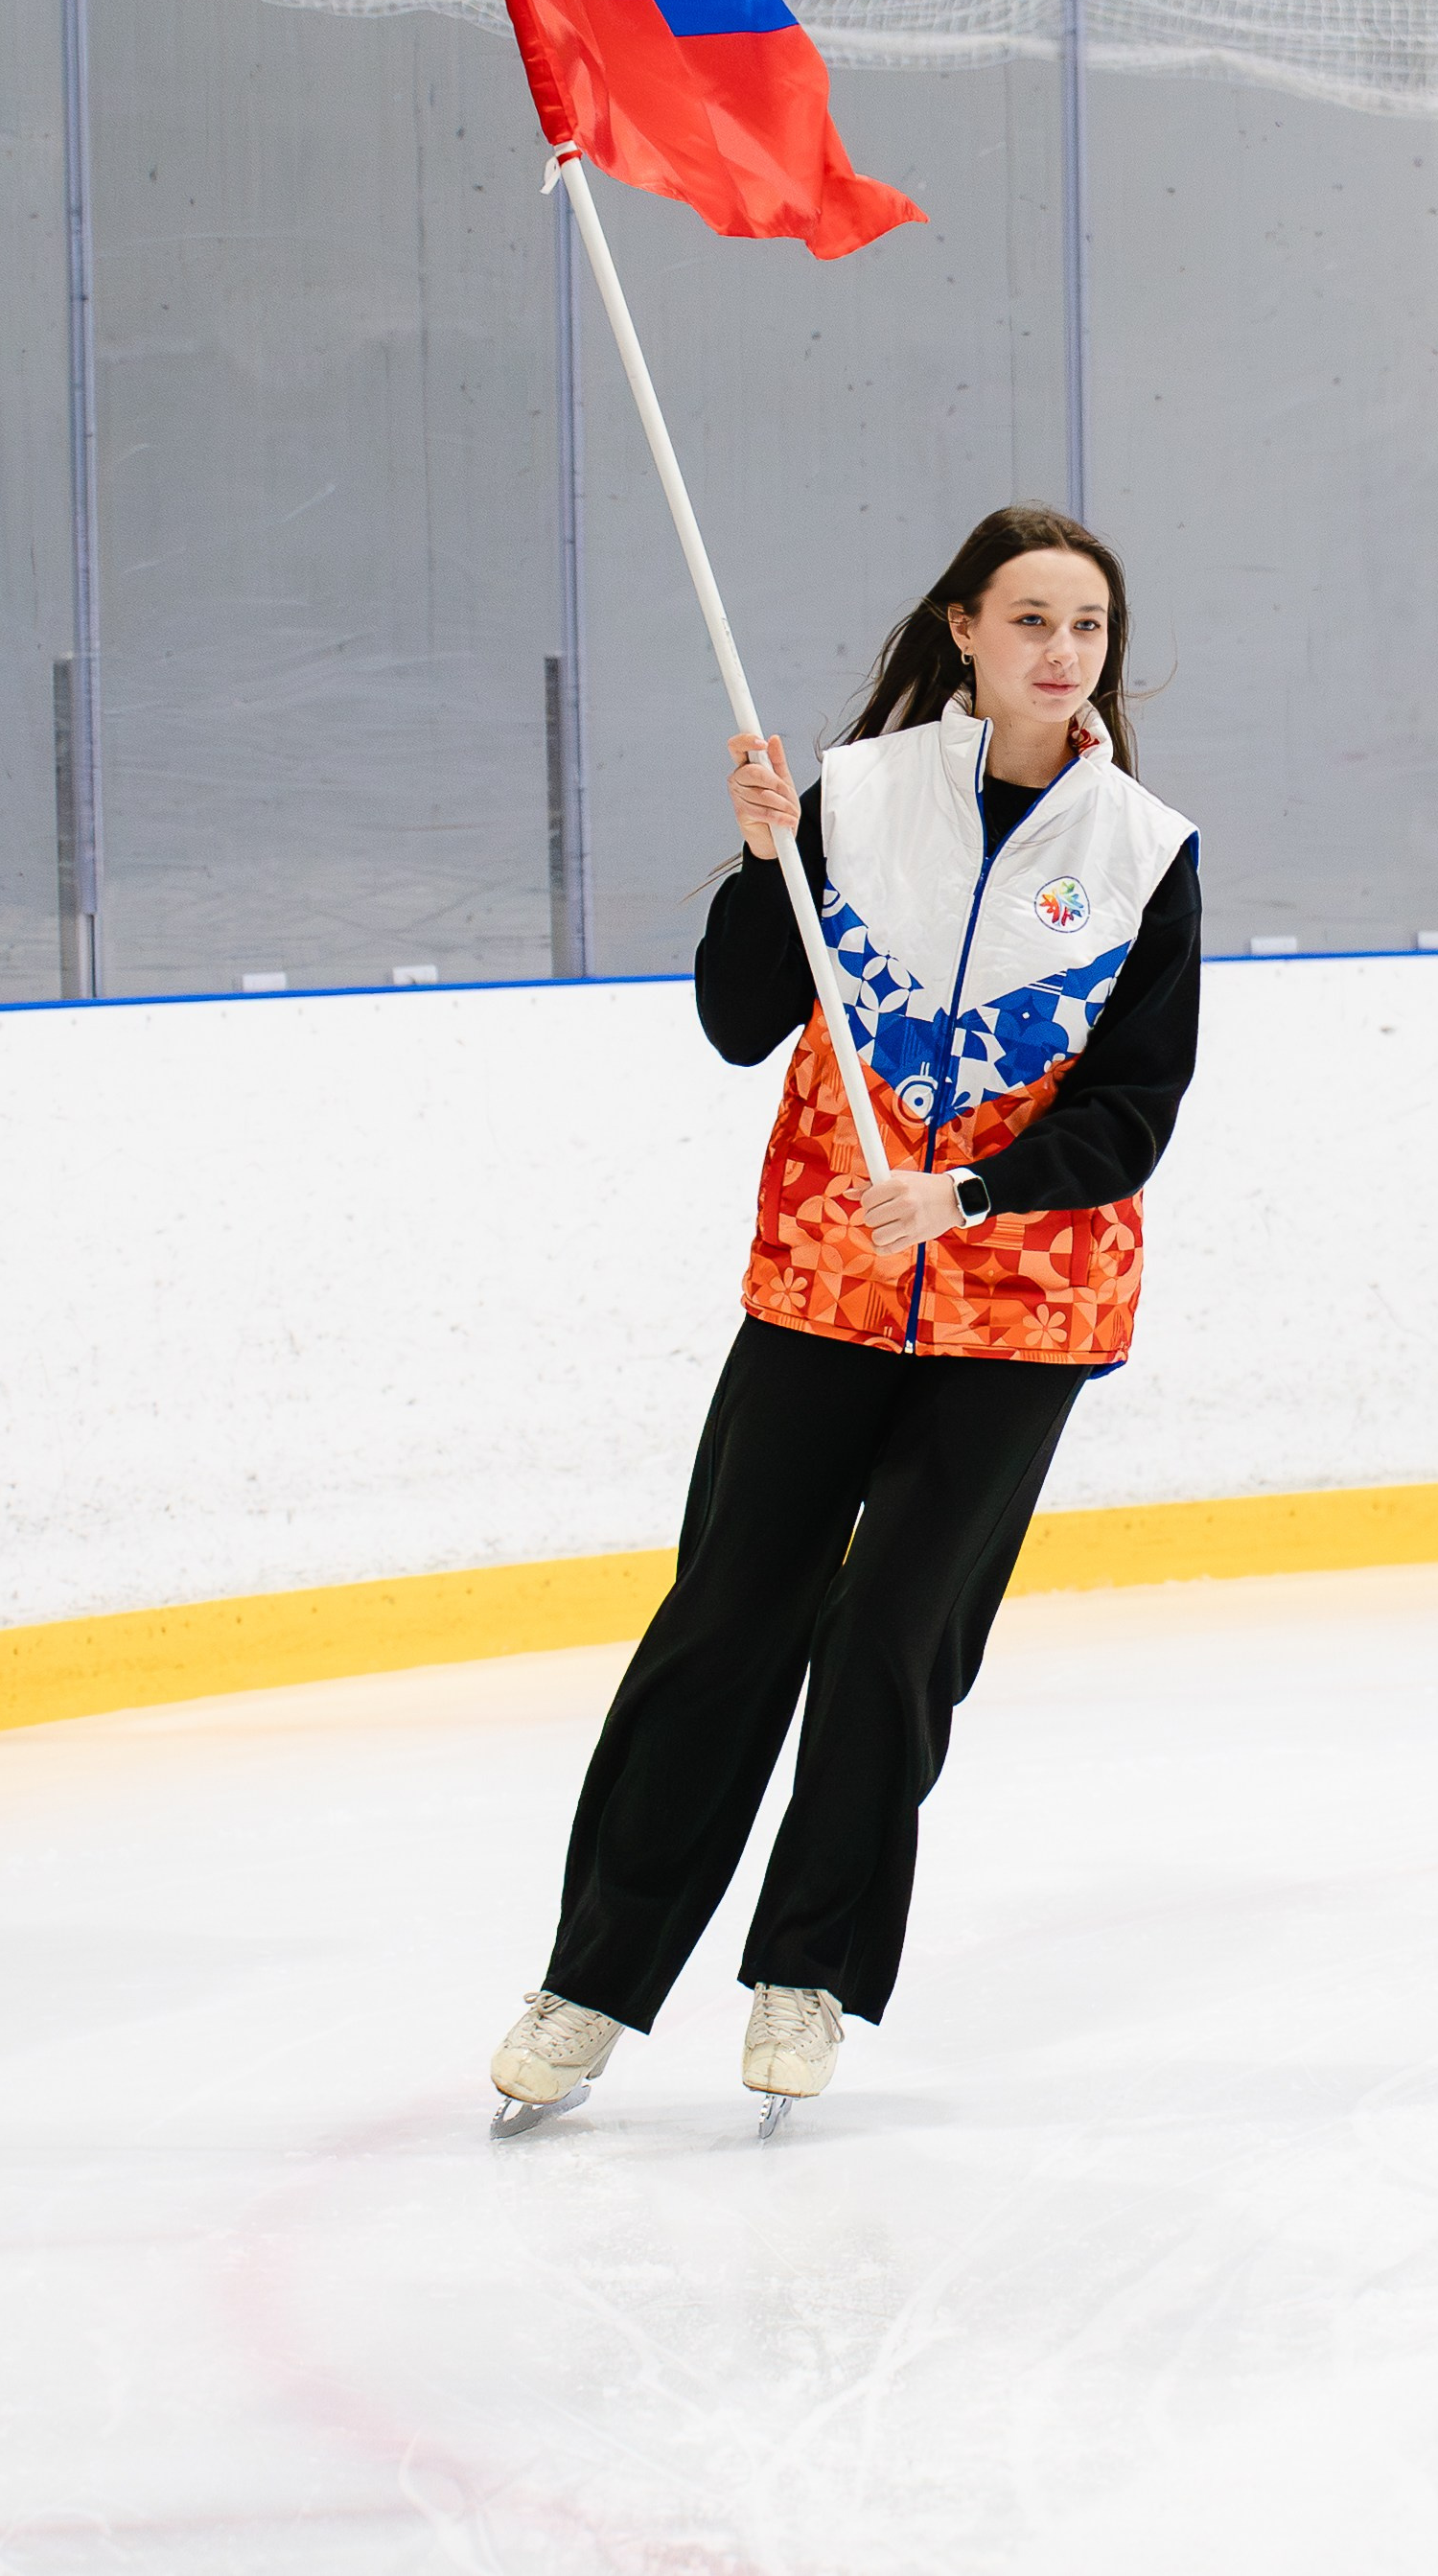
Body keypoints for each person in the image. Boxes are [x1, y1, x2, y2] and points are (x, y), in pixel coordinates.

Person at [490, 503, 1200, 2120]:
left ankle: (803, 1977)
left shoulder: (1141, 851)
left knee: (891, 1647)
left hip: (1022, 1315)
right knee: (726, 1626)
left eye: (1084, 626)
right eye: (1027, 620)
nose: (1058, 654)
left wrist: (970, 1197)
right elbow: (744, 1022)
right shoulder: (856, 799)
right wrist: (763, 866)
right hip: (823, 1286)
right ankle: (591, 1983)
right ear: (962, 630)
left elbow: (1138, 1108)